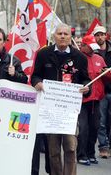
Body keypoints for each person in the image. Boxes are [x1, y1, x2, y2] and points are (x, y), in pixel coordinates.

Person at [31, 23, 90, 175]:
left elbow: (85, 79)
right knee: (54, 150)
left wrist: (85, 88)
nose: (63, 36)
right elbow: (35, 75)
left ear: (70, 37)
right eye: (59, 34)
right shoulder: (44, 54)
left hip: (70, 110)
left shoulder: (80, 57)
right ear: (54, 36)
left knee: (70, 148)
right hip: (50, 109)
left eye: (65, 34)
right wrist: (37, 82)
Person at [77, 34, 111, 165]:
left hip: (96, 99)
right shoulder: (78, 58)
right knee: (84, 128)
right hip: (82, 100)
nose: (92, 49)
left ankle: (90, 153)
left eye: (93, 47)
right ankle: (81, 154)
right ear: (83, 46)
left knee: (95, 127)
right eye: (90, 47)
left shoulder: (99, 58)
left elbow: (106, 78)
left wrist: (107, 73)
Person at [93, 25, 111, 158]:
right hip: (101, 92)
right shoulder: (92, 52)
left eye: (102, 34)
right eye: (97, 35)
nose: (100, 37)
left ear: (106, 35)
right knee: (102, 121)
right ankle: (103, 147)